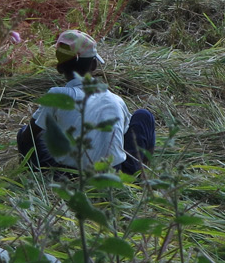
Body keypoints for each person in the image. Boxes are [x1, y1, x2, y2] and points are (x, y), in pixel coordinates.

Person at [17, 30, 155, 174]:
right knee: (144, 115)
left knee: (24, 133)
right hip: (114, 175)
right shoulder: (116, 100)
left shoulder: (57, 95)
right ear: (94, 65)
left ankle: (30, 174)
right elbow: (122, 137)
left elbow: (29, 137)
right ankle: (142, 176)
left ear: (59, 68)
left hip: (69, 175)